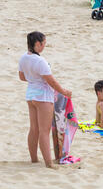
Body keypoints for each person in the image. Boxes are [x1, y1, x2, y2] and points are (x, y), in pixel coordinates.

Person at [19, 31, 72, 168]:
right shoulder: (40, 61)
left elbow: (22, 77)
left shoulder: (24, 58)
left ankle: (34, 159)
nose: (44, 46)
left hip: (30, 95)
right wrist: (65, 92)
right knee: (44, 130)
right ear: (37, 44)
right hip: (43, 97)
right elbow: (52, 82)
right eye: (43, 43)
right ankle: (49, 163)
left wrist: (34, 79)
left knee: (34, 129)